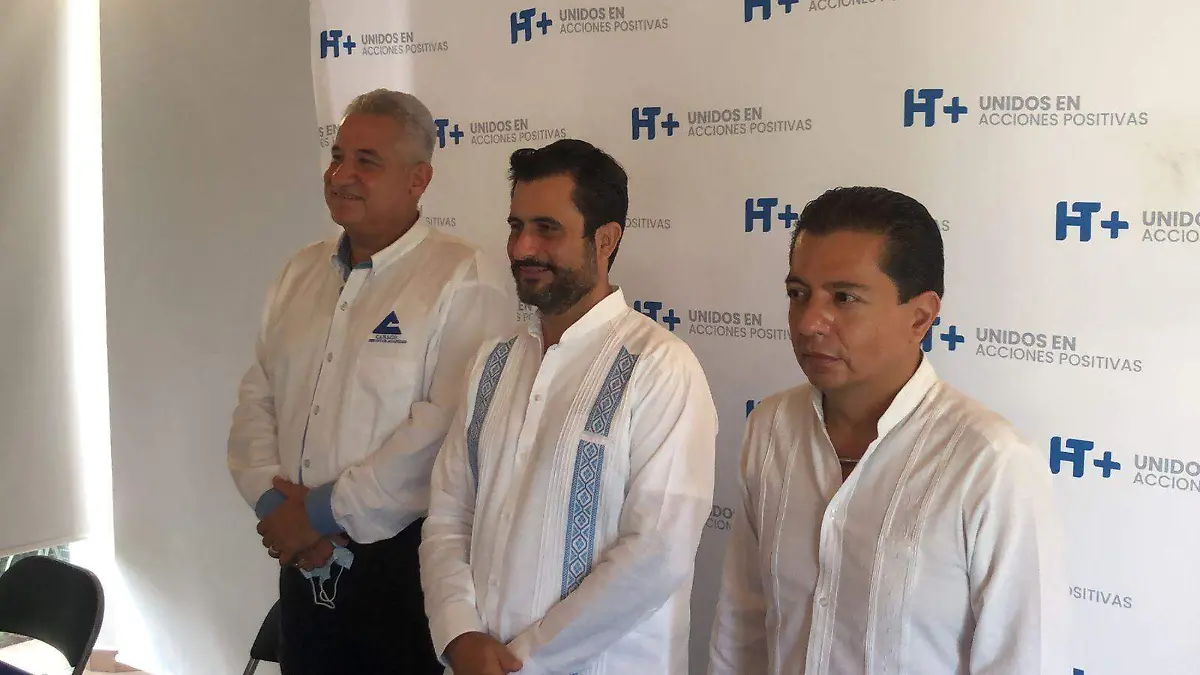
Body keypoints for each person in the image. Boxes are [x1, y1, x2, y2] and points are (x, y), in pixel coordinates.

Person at [707, 186, 1068, 674]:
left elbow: (1023, 660)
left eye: (844, 298)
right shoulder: (771, 428)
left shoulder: (990, 464)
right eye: (798, 294)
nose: (809, 322)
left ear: (920, 317)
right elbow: (743, 623)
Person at [227, 88, 514, 674]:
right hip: (300, 558)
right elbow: (258, 398)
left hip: (401, 569)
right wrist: (277, 508)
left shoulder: (461, 276)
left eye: (367, 161)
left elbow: (444, 428)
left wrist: (319, 515)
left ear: (418, 180)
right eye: (337, 157)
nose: (342, 175)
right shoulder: (301, 271)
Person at [419, 139, 718, 675]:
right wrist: (459, 633)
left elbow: (658, 551)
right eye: (516, 226)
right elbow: (448, 512)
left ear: (605, 240)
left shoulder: (658, 366)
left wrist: (522, 662)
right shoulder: (493, 362)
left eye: (547, 229)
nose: (522, 248)